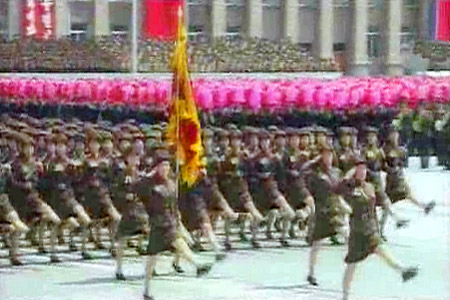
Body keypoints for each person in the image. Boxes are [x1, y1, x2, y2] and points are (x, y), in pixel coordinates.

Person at [339, 156, 419, 300]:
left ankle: (402, 270)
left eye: (364, 169)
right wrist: (349, 173)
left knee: (381, 249)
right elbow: (339, 187)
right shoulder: (349, 186)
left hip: (370, 228)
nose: (362, 172)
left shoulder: (370, 187)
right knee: (352, 265)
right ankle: (345, 296)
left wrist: (384, 221)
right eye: (359, 169)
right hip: (357, 232)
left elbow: (378, 204)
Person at [141, 149, 213, 300]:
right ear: (156, 167)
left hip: (170, 221)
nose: (165, 169)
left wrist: (178, 218)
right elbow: (136, 189)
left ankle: (196, 265)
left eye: (167, 166)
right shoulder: (149, 184)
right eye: (161, 166)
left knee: (167, 248)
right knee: (156, 255)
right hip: (158, 223)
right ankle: (196, 265)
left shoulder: (171, 183)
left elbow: (173, 204)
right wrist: (147, 177)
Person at [301, 147, 350, 286]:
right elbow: (303, 178)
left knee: (346, 233)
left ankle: (352, 261)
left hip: (334, 209)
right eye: (325, 155)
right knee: (317, 243)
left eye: (330, 155)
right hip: (322, 210)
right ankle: (311, 273)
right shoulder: (314, 173)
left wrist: (344, 204)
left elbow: (340, 191)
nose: (328, 158)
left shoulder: (337, 172)